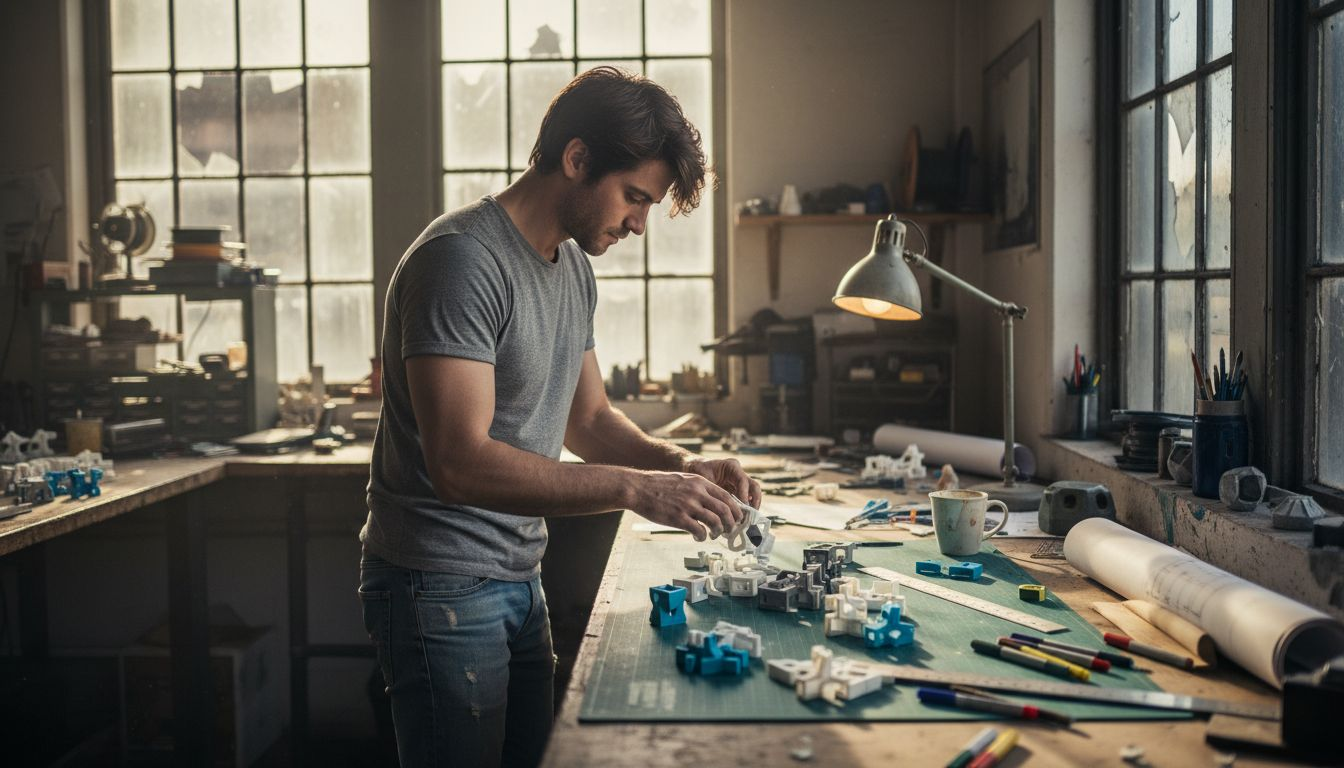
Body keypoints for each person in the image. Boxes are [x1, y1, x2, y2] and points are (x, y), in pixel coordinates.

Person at [358, 66, 762, 768]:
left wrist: (681, 468)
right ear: (576, 159)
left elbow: (590, 419)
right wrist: (638, 491)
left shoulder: (571, 267)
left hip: (518, 574)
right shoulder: (461, 262)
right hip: (439, 584)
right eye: (634, 197)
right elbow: (459, 464)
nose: (639, 223)